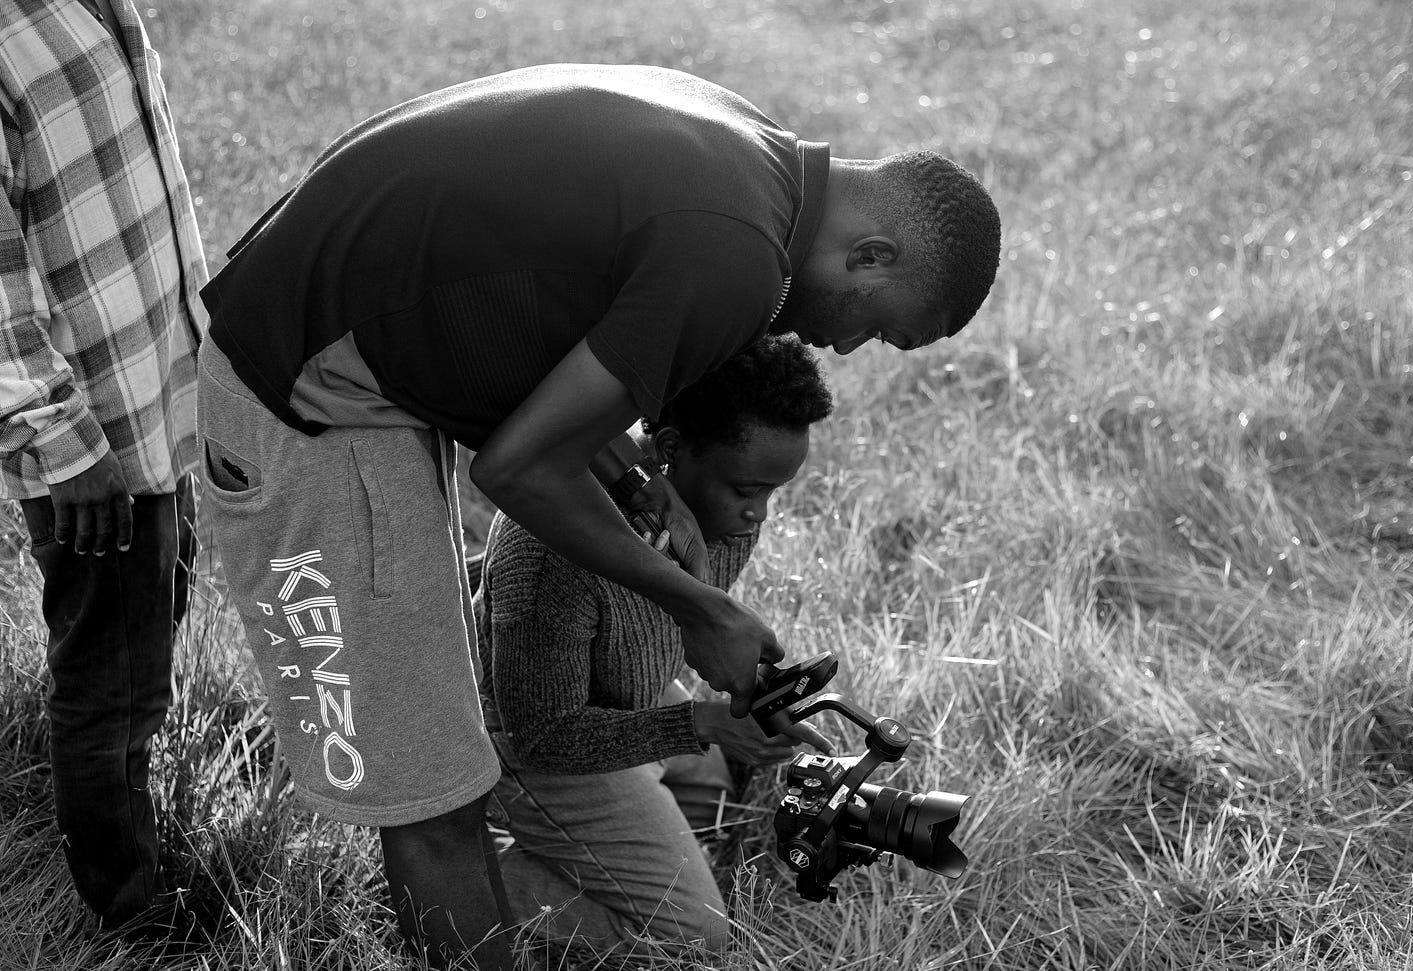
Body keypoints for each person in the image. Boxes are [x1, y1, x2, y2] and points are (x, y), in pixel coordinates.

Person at [195, 62, 999, 969]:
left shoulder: (749, 151)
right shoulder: (737, 257)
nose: (846, 344)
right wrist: (701, 606)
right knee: (438, 799)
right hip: (301, 392)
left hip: (347, 346)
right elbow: (517, 469)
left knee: (463, 767)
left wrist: (630, 474)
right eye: (880, 328)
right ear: (873, 255)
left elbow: (540, 307)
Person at [477, 336, 835, 955]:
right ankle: (462, 878)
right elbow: (541, 735)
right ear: (669, 450)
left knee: (712, 803)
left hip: (623, 698)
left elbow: (675, 633)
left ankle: (605, 842)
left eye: (773, 493)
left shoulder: (716, 516)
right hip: (529, 745)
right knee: (693, 938)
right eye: (747, 491)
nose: (759, 515)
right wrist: (701, 724)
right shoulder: (551, 555)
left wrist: (752, 697)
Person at [0, 0, 208, 929]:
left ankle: (135, 836)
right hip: (89, 438)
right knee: (111, 689)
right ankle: (131, 918)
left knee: (143, 649)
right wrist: (57, 433)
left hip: (152, 393)